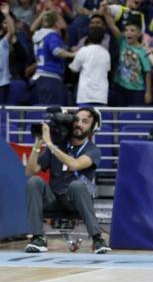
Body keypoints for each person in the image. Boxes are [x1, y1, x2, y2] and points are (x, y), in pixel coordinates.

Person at [24, 107, 110, 254]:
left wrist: (50, 145)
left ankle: (98, 239)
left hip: (75, 201)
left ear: (92, 128)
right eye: (76, 120)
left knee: (76, 186)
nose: (79, 124)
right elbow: (30, 171)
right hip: (54, 198)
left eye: (85, 122)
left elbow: (74, 164)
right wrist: (38, 142)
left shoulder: (93, 150)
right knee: (34, 182)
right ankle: (38, 238)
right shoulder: (59, 146)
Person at [69, 27, 111, 106]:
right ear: (102, 39)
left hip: (85, 94)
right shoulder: (106, 53)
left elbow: (74, 69)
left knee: (83, 117)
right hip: (101, 95)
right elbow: (107, 70)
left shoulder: (83, 50)